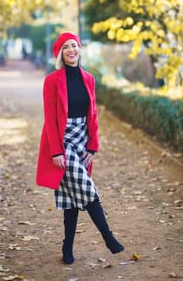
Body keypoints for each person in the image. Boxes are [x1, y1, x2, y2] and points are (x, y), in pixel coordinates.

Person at [36, 32, 124, 264]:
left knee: (72, 197)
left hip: (82, 138)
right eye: (66, 47)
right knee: (86, 188)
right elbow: (50, 118)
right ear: (60, 54)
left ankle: (67, 248)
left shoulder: (89, 78)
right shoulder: (52, 81)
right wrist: (56, 151)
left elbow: (93, 114)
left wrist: (92, 147)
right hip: (62, 140)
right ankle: (109, 238)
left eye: (74, 45)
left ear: (79, 49)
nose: (71, 50)